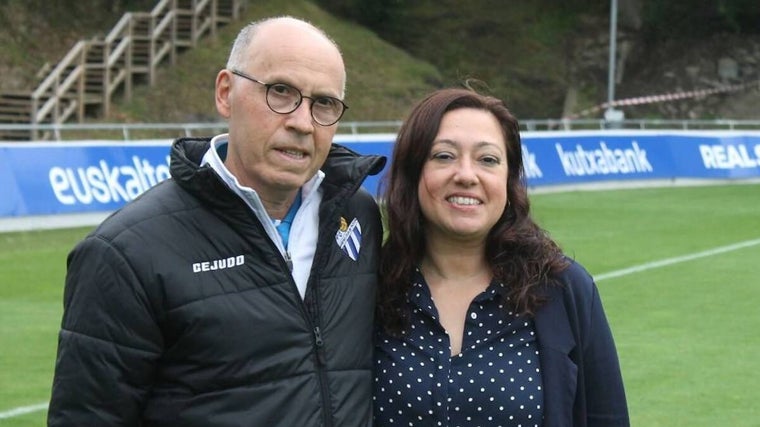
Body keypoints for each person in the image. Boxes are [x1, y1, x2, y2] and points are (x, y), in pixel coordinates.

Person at [48, 16, 386, 426]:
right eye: (280, 92)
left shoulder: (357, 216)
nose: (302, 122)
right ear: (226, 93)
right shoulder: (124, 252)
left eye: (324, 104)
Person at [373, 88, 629, 427]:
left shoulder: (564, 290)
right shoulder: (366, 285)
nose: (466, 175)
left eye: (488, 160)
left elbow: (605, 417)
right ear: (413, 172)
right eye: (444, 156)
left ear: (509, 182)